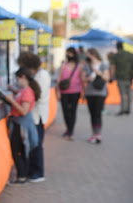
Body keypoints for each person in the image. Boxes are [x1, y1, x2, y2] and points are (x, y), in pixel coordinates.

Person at [17, 52, 51, 183]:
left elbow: (36, 96)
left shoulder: (42, 76)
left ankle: (38, 172)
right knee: (33, 143)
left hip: (37, 115)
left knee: (35, 144)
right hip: (34, 115)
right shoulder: (38, 75)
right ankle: (33, 170)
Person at [5, 67, 41, 184]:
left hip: (21, 125)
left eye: (18, 78)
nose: (17, 80)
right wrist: (14, 91)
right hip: (18, 124)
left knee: (17, 151)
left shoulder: (28, 92)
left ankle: (22, 175)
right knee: (19, 150)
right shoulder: (24, 90)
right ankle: (22, 174)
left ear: (23, 77)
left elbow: (23, 111)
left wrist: (11, 101)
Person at [82, 48, 110, 143]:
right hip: (90, 92)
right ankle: (94, 133)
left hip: (100, 93)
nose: (87, 56)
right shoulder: (87, 66)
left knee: (97, 113)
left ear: (93, 54)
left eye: (89, 54)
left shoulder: (103, 65)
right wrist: (88, 78)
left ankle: (98, 134)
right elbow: (83, 78)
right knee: (92, 113)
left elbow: (107, 78)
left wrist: (98, 72)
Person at [56, 47, 83, 141]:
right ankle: (68, 128)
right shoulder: (64, 65)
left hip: (75, 92)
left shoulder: (79, 66)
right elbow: (59, 79)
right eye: (68, 53)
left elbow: (82, 79)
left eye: (71, 53)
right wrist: (58, 91)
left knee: (73, 111)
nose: (69, 55)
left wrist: (83, 92)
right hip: (64, 92)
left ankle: (70, 130)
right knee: (65, 111)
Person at [110, 42, 133, 115]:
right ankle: (128, 109)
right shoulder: (130, 54)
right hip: (129, 77)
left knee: (122, 93)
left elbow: (113, 67)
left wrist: (111, 77)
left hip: (120, 77)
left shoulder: (116, 55)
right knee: (129, 93)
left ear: (117, 47)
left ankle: (123, 109)